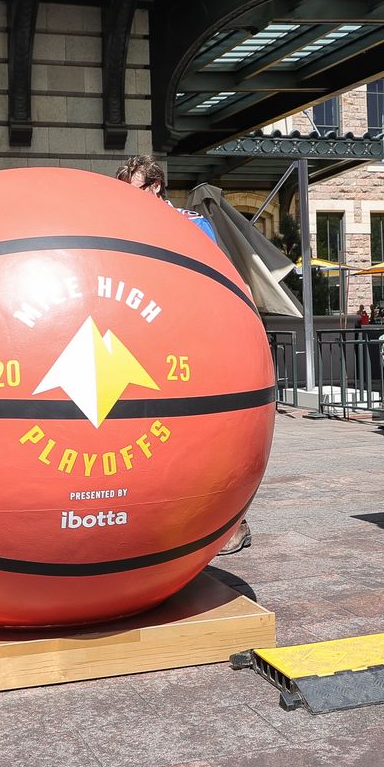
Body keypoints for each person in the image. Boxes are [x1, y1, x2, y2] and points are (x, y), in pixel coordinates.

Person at [115, 153, 251, 556]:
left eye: (133, 191)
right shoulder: (127, 228)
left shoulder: (192, 226)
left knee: (208, 439)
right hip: (147, 348)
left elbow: (201, 287)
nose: (127, 201)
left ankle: (232, 522)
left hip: (194, 348)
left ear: (154, 187)